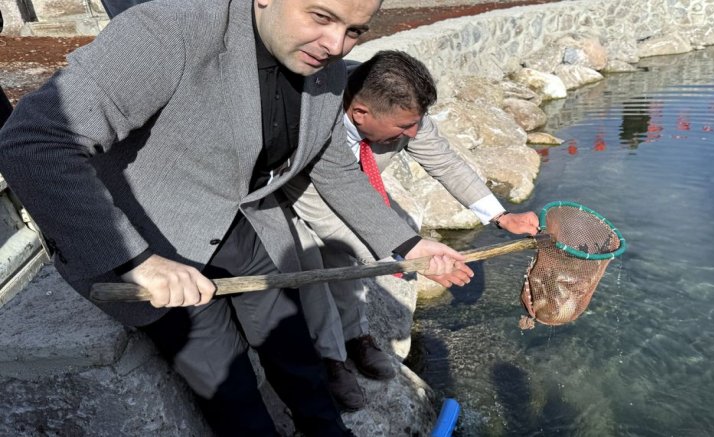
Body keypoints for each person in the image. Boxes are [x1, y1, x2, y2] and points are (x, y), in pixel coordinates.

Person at [0, 0, 473, 435]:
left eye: (353, 30)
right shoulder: (168, 31)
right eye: (321, 17)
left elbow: (333, 168)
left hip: (234, 222)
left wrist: (408, 244)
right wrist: (137, 259)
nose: (335, 45)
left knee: (294, 352)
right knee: (233, 392)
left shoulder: (326, 71)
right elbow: (33, 140)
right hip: (144, 240)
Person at [282, 50, 539, 410]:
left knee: (348, 260)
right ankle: (331, 357)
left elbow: (445, 161)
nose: (414, 134)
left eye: (418, 122)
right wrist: (407, 252)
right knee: (315, 264)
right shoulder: (314, 119)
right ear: (360, 114)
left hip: (353, 188)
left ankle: (356, 336)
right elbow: (328, 216)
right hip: (290, 193)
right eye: (405, 128)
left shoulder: (402, 109)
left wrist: (499, 215)